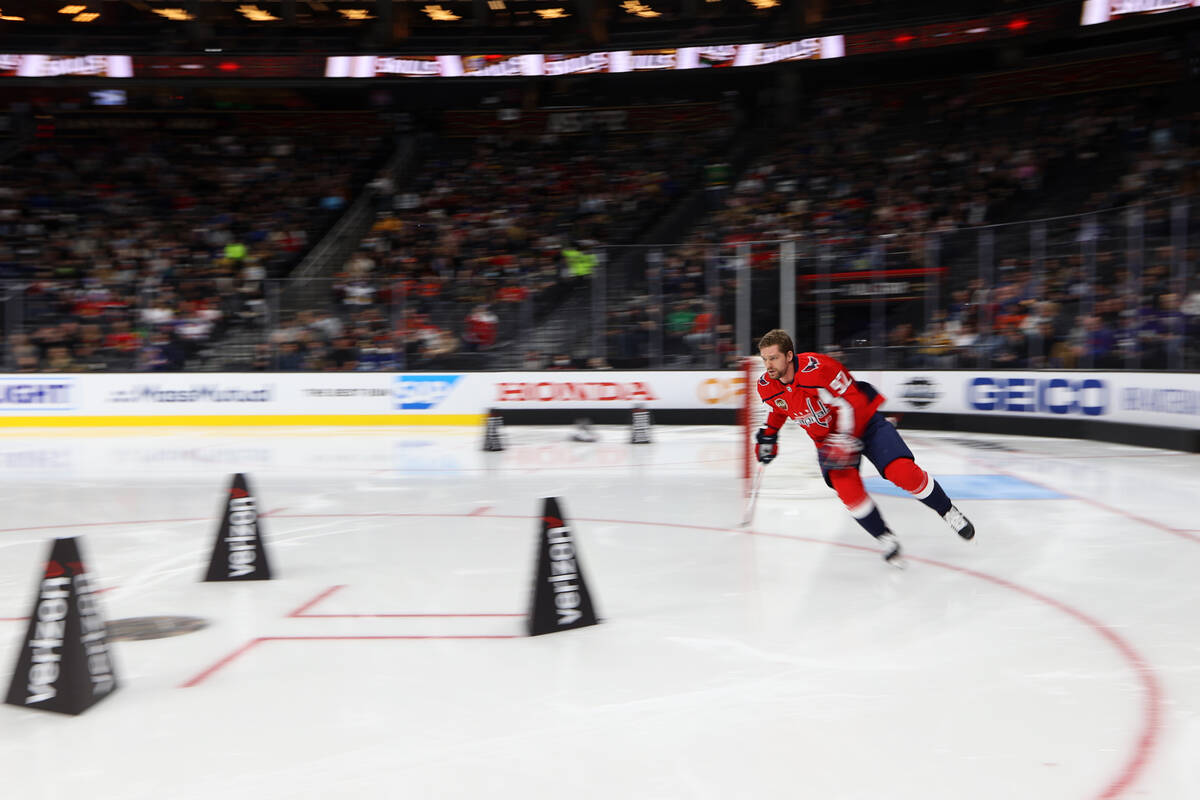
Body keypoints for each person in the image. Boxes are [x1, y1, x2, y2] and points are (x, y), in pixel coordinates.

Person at [753, 329, 974, 566]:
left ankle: (948, 511)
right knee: (849, 493)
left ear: (788, 355)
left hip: (864, 423)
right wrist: (769, 435)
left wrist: (848, 439)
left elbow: (855, 400)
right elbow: (780, 407)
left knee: (902, 472)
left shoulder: (819, 369)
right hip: (828, 441)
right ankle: (885, 538)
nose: (768, 365)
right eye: (764, 359)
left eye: (773, 358)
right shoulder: (766, 385)